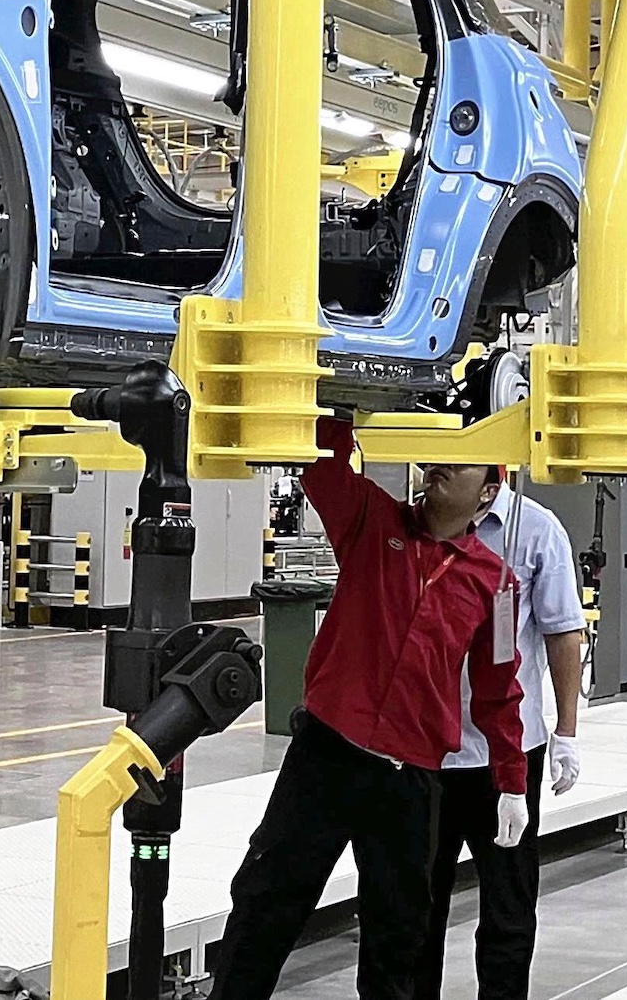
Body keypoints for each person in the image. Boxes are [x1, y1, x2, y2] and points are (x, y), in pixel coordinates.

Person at [211, 421, 524, 1000]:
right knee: (266, 900)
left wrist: (510, 781)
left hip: (410, 782)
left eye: (464, 459)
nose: (441, 466)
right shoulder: (374, 521)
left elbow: (498, 689)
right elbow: (322, 465)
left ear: (488, 490)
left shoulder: (495, 584)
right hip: (326, 754)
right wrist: (349, 403)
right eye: (436, 456)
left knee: (400, 931)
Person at [419, 467, 589, 1000]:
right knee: (417, 901)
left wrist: (566, 731)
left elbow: (564, 632)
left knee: (508, 902)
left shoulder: (537, 530)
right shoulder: (422, 520)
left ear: (492, 479)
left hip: (506, 754)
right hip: (422, 751)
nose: (435, 479)